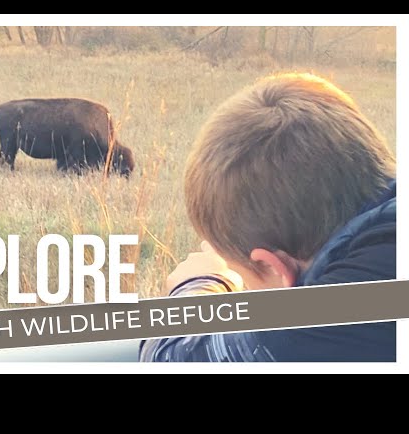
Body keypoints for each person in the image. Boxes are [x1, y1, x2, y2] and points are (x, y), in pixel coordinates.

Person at [139, 73, 396, 362]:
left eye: (249, 285)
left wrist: (200, 283)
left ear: (273, 267)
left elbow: (169, 360)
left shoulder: (341, 314)